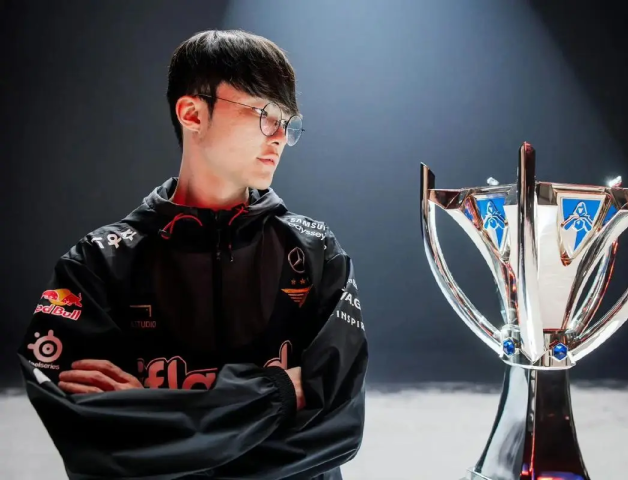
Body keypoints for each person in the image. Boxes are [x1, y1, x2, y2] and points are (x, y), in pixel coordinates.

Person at [17, 29, 368, 480]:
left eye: (289, 122)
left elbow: (337, 431)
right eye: (265, 114)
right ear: (192, 113)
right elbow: (93, 444)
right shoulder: (95, 264)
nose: (281, 136)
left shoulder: (318, 252)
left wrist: (152, 415)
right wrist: (282, 392)